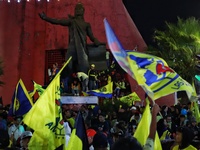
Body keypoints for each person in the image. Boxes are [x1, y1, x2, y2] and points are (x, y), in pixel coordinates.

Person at [39, 2, 101, 75]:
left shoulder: (86, 25)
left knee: (84, 68)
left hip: (82, 48)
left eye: (80, 9)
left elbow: (91, 36)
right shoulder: (72, 22)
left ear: (83, 11)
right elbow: (58, 21)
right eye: (76, 9)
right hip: (72, 48)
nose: (78, 10)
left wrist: (95, 40)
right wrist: (45, 18)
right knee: (68, 67)